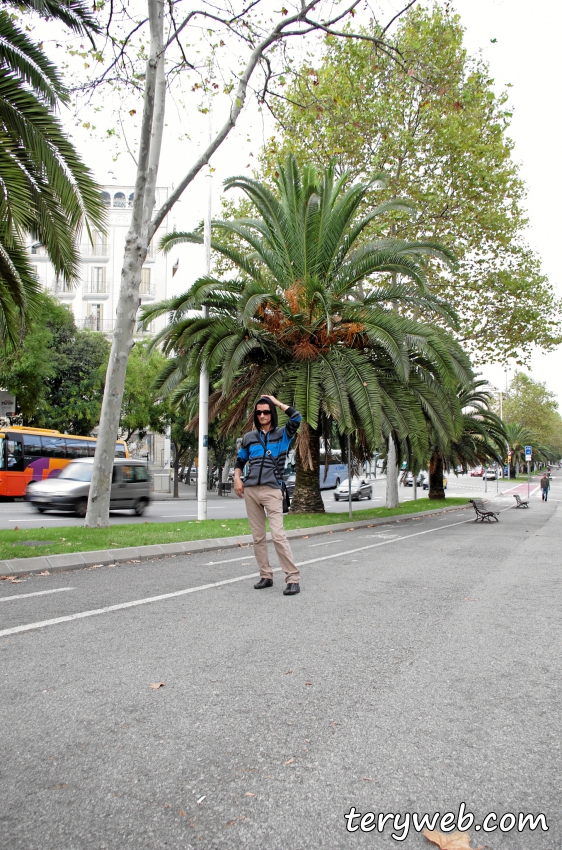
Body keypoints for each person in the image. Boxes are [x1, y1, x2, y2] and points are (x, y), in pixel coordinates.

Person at [234, 395, 302, 596]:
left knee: (278, 535)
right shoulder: (249, 438)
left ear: (271, 413)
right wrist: (237, 478)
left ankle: (293, 578)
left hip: (272, 490)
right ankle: (266, 575)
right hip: (251, 491)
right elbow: (240, 461)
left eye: (266, 411)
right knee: (258, 537)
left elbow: (296, 417)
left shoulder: (283, 435)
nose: (262, 415)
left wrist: (277, 402)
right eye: (258, 412)